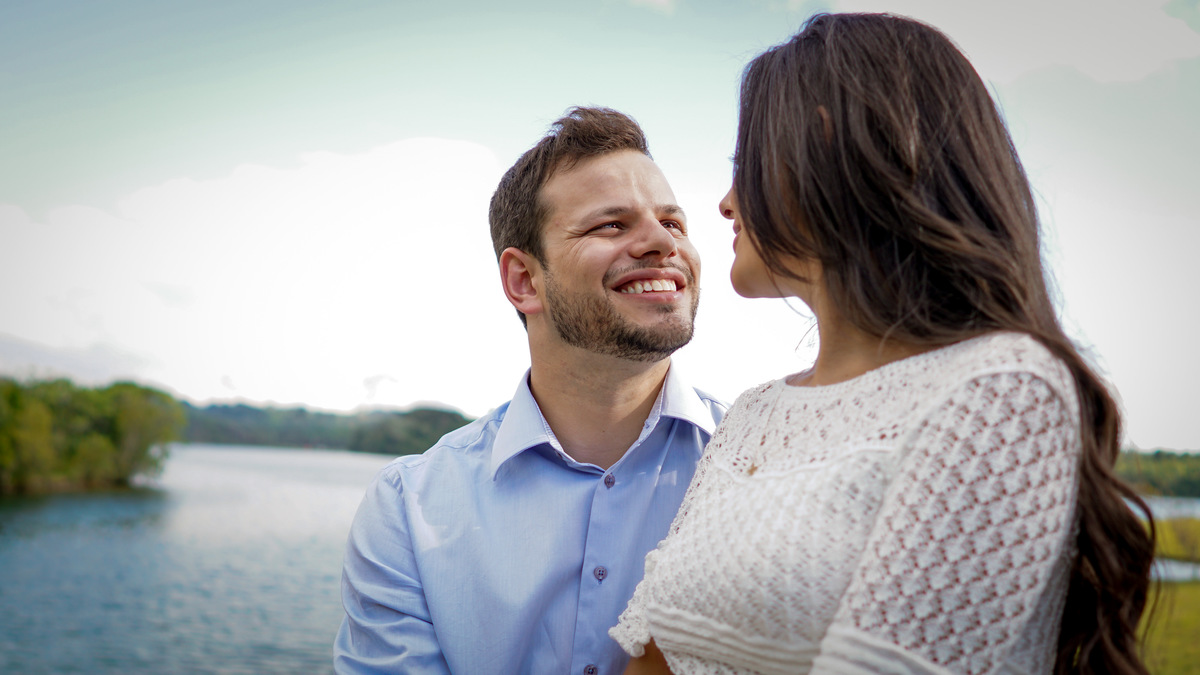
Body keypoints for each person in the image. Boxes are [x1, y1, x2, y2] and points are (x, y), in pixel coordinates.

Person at [612, 13, 1155, 675]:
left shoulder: (1001, 390)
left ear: (821, 143)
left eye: (743, 165)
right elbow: (651, 655)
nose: (726, 203)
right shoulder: (752, 414)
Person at [334, 107, 727, 675]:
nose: (661, 244)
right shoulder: (408, 510)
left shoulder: (768, 467)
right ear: (524, 280)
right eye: (611, 225)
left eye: (674, 222)